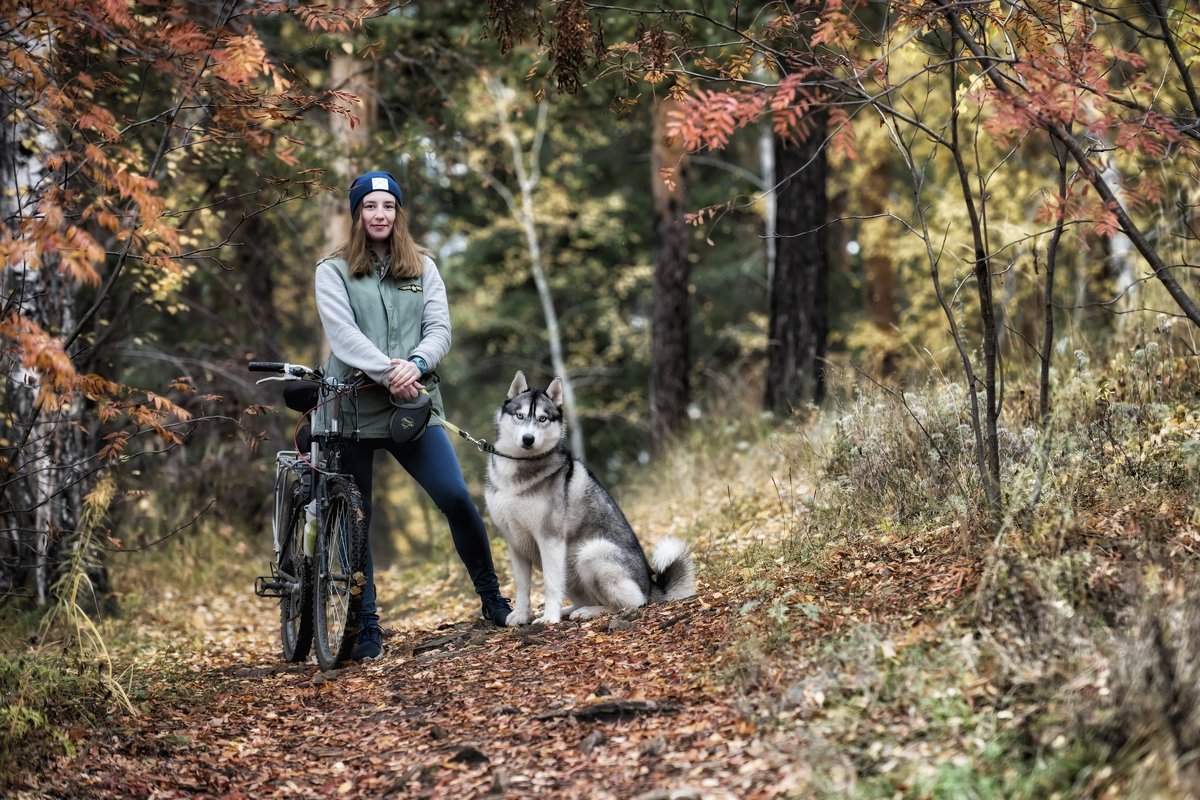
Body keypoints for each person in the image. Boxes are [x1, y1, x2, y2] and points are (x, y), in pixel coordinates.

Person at [314, 170, 513, 660]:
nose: (379, 214)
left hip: (413, 409)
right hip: (351, 412)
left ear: (398, 213)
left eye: (388, 206)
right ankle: (366, 628)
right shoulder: (333, 270)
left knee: (457, 498)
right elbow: (342, 337)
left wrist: (417, 366)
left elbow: (440, 328)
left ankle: (493, 601)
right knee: (356, 521)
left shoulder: (423, 267)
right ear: (357, 214)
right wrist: (389, 371)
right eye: (369, 206)